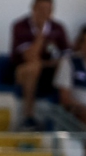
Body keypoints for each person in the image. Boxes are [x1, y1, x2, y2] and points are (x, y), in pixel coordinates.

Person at [10, 0, 70, 129]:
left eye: (48, 10)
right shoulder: (20, 26)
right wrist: (41, 35)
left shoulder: (58, 28)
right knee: (33, 67)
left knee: (67, 68)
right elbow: (30, 57)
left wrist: (49, 63)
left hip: (50, 70)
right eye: (41, 9)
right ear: (33, 9)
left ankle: (66, 119)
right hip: (23, 71)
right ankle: (28, 116)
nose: (44, 13)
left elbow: (67, 56)